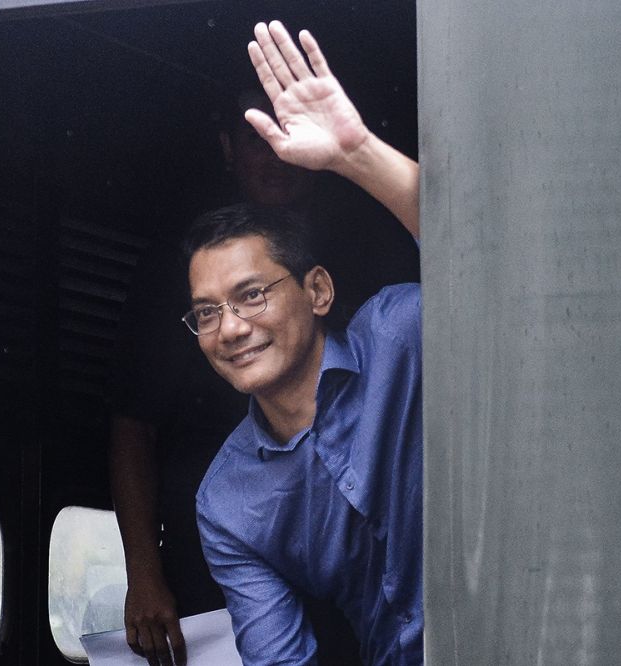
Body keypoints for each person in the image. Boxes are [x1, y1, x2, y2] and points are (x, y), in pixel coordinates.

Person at [108, 38, 419, 666]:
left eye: (252, 295)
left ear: (319, 291)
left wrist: (356, 153)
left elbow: (490, 259)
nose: (230, 327)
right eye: (205, 313)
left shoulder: (398, 336)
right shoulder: (229, 502)